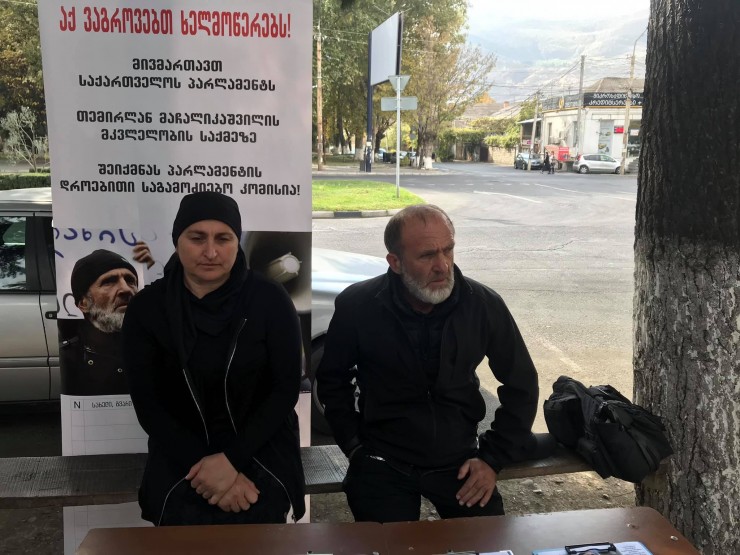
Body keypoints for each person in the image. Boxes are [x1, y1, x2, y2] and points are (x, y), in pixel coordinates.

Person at [316, 204, 549, 523]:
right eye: (427, 255)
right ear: (395, 262)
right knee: (388, 546)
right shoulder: (358, 306)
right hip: (382, 462)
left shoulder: (482, 305)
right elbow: (332, 380)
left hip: (461, 463)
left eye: (448, 250)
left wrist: (492, 458)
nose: (443, 266)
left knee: (488, 543)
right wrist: (355, 447)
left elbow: (521, 384)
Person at [122, 191, 305, 526]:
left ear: (237, 242)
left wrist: (231, 461)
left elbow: (284, 390)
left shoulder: (270, 300)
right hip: (182, 458)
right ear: (177, 241)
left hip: (260, 451)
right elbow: (148, 405)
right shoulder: (148, 309)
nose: (210, 252)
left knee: (260, 524)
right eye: (197, 238)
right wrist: (206, 469)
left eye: (223, 238)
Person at [60, 249, 140, 395]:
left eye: (130, 280)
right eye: (109, 281)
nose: (126, 289)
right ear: (84, 303)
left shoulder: (154, 350)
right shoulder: (69, 358)